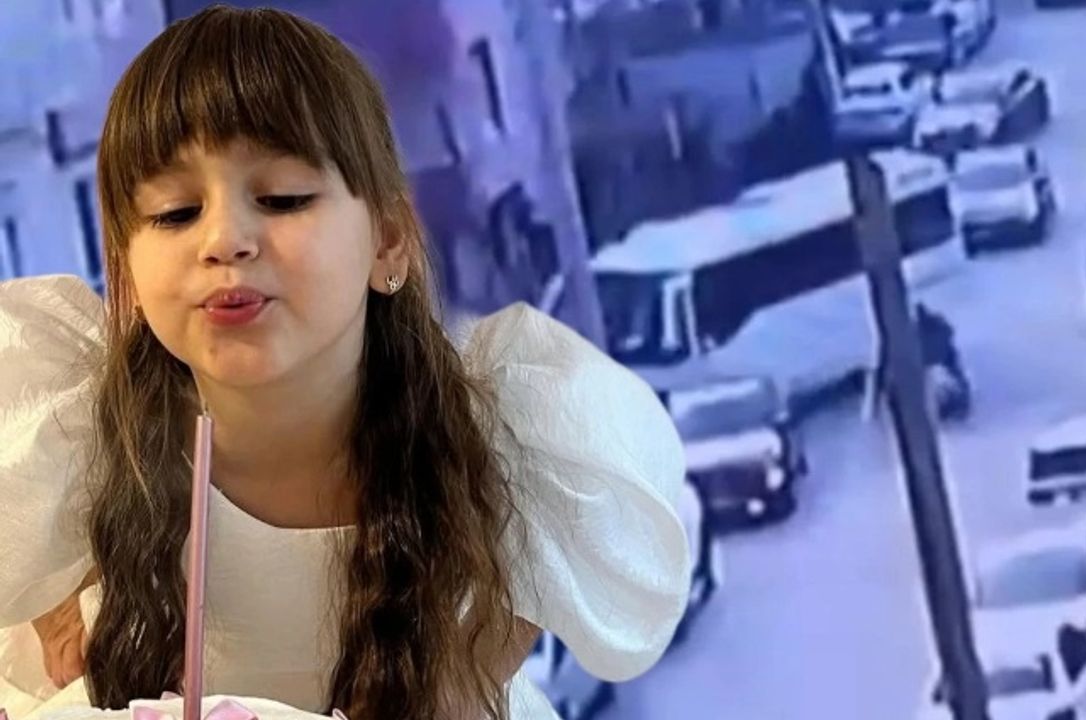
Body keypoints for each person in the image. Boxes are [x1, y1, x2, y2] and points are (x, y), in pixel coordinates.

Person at [0, 6, 690, 719]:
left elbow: (551, 599)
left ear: (388, 240)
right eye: (176, 212)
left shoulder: (498, 437)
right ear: (126, 273)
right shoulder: (72, 441)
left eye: (282, 198)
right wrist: (56, 611)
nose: (225, 240)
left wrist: (467, 672)